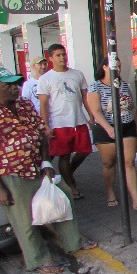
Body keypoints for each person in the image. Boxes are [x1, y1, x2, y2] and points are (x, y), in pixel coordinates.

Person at [0, 67, 96, 274]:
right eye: (7, 85)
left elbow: (42, 135)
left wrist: (45, 163)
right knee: (25, 219)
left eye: (16, 84)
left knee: (64, 197)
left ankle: (72, 241)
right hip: (11, 173)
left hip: (37, 166)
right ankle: (39, 258)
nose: (14, 89)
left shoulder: (24, 105)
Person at [87, 57, 137, 211]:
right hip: (105, 127)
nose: (119, 69)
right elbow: (95, 110)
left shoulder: (123, 86)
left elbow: (132, 107)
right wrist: (108, 128)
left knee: (129, 162)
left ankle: (135, 199)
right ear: (104, 67)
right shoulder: (95, 86)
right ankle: (110, 192)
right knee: (109, 162)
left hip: (126, 125)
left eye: (120, 66)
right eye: (116, 66)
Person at [38, 44, 93, 200]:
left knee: (85, 150)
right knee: (64, 156)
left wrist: (91, 115)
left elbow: (84, 97)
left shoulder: (77, 74)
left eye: (64, 54)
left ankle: (68, 172)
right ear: (51, 58)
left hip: (78, 121)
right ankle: (71, 186)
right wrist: (46, 125)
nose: (62, 58)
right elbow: (43, 104)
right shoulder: (45, 79)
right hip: (58, 123)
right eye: (58, 55)